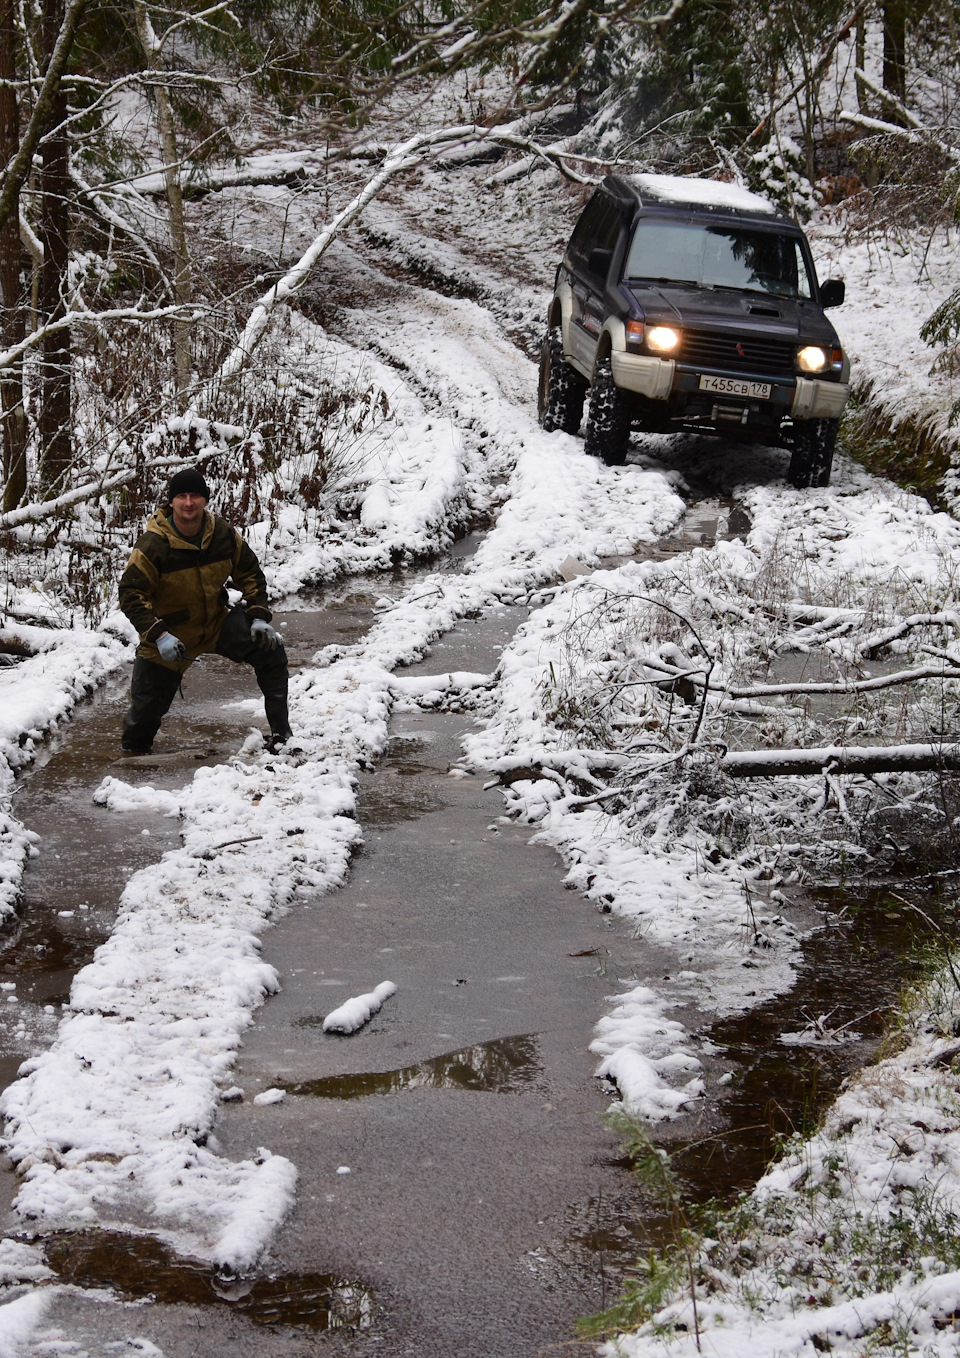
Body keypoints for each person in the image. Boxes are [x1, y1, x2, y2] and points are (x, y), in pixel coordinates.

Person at [118, 467, 293, 755]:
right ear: (171, 502)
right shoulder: (153, 544)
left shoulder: (222, 534)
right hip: (168, 635)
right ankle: (132, 767)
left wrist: (259, 615)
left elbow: (250, 573)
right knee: (141, 722)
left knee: (270, 649)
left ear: (206, 500)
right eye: (182, 496)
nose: (189, 503)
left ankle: (282, 735)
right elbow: (130, 593)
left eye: (195, 496)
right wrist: (157, 634)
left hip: (215, 622)